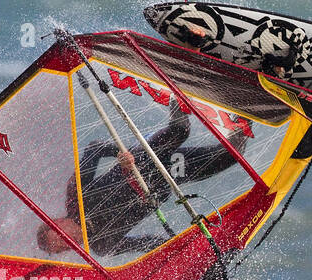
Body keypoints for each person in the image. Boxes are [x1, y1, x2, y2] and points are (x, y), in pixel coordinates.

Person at [36, 96, 249, 258]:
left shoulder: (76, 196)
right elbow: (147, 243)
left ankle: (175, 86)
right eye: (65, 247)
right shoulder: (103, 246)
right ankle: (247, 106)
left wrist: (120, 155)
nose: (70, 242)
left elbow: (94, 149)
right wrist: (181, 251)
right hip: (167, 178)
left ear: (57, 221)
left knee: (180, 130)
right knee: (231, 156)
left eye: (62, 237)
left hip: (144, 158)